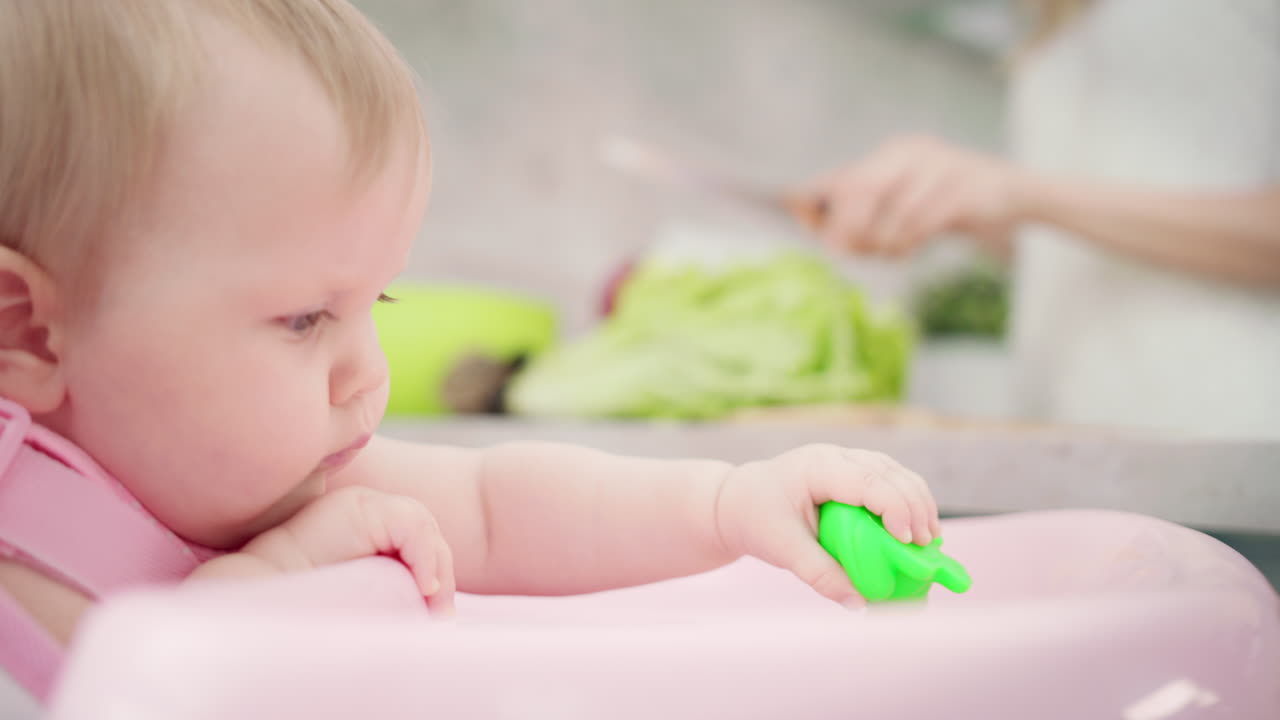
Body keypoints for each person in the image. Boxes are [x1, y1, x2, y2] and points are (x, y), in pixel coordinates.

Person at [0, 0, 941, 710]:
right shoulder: (22, 524)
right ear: (29, 333)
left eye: (379, 301)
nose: (370, 373)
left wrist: (727, 503)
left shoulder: (262, 474)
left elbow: (500, 507)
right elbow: (152, 690)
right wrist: (284, 574)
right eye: (303, 320)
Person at [795, 0, 1280, 437]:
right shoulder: (1054, 15)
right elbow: (1081, 247)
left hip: (1230, 436)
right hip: (1078, 431)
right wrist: (965, 212)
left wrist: (1023, 192)